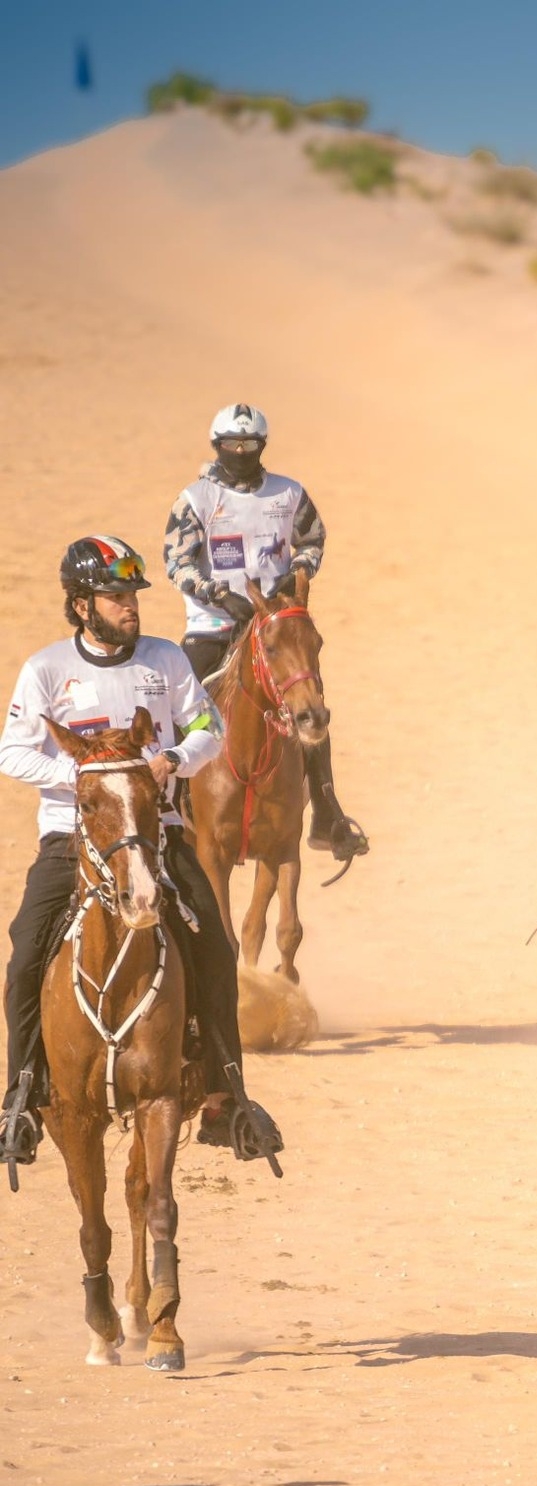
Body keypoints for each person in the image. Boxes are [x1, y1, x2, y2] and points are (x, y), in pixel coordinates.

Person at [0, 536, 282, 1174]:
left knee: (213, 946)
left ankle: (227, 1097)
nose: (131, 607)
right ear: (81, 606)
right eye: (117, 596)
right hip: (71, 840)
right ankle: (21, 1097)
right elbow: (9, 751)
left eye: (132, 596)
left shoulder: (167, 660)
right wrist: (80, 775)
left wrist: (175, 759)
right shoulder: (46, 669)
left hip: (160, 834)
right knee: (23, 955)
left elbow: (206, 727)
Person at [164, 402, 367, 862]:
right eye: (232, 445)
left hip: (274, 622)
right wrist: (217, 593)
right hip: (213, 625)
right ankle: (167, 808)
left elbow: (313, 540)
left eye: (249, 445)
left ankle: (327, 814)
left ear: (262, 446)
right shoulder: (194, 499)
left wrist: (295, 573)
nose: (240, 451)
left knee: (309, 702)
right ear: (216, 446)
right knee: (175, 701)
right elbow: (175, 562)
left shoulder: (289, 493)